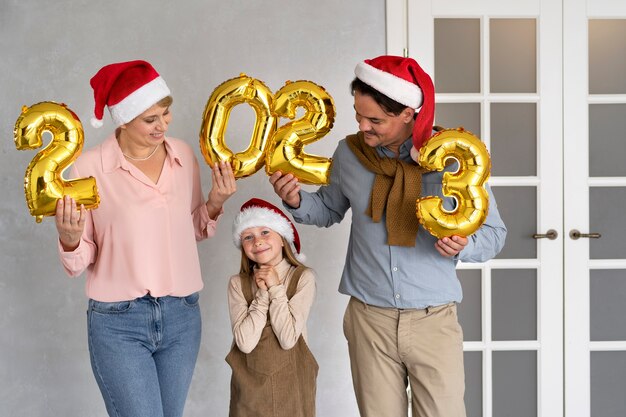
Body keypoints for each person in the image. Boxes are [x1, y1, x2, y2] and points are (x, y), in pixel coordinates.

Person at [269, 55, 507, 417]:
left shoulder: (453, 158)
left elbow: (494, 234)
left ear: (409, 113)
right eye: (358, 115)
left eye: (376, 120)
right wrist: (295, 199)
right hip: (369, 320)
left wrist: (465, 245)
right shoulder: (350, 154)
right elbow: (329, 210)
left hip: (432, 320)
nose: (364, 127)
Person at [54, 60, 236, 417]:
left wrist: (216, 201)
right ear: (123, 120)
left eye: (166, 114)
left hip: (182, 315)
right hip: (119, 321)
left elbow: (192, 229)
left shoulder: (183, 155)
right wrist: (70, 238)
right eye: (150, 119)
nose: (163, 125)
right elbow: (81, 260)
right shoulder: (88, 168)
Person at [226, 198, 318, 417]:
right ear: (243, 247)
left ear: (283, 239)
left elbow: (287, 339)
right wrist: (262, 295)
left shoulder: (303, 278)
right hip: (249, 394)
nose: (257, 241)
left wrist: (276, 287)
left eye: (265, 232)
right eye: (248, 237)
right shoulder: (237, 283)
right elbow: (245, 344)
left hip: (293, 389)